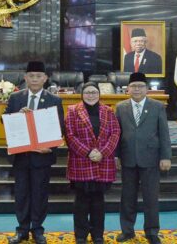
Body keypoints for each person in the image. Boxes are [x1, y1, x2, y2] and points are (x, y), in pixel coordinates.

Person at [4, 61, 64, 244]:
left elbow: (59, 126)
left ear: (45, 78)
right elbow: (4, 121)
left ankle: (37, 229)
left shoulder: (54, 100)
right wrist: (17, 117)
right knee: (21, 194)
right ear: (25, 78)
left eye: (39, 76)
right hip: (21, 156)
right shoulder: (15, 98)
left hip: (42, 156)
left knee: (39, 194)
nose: (35, 79)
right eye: (31, 76)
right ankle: (22, 230)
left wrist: (51, 148)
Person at [115, 72, 172, 244]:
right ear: (128, 89)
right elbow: (116, 134)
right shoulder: (120, 107)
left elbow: (164, 133)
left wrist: (166, 156)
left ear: (147, 89)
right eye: (134, 86)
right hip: (128, 158)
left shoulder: (157, 106)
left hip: (151, 158)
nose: (137, 89)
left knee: (151, 197)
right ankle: (127, 230)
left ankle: (152, 231)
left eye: (141, 86)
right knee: (127, 197)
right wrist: (116, 156)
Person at [64, 82, 120, 244]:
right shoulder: (73, 111)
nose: (91, 95)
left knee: (98, 201)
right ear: (82, 94)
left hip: (103, 161)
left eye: (94, 92)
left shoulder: (108, 111)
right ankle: (80, 235)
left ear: (99, 94)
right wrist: (88, 152)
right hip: (81, 161)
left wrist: (103, 152)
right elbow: (70, 135)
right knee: (81, 201)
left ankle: (98, 235)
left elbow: (115, 133)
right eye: (87, 92)